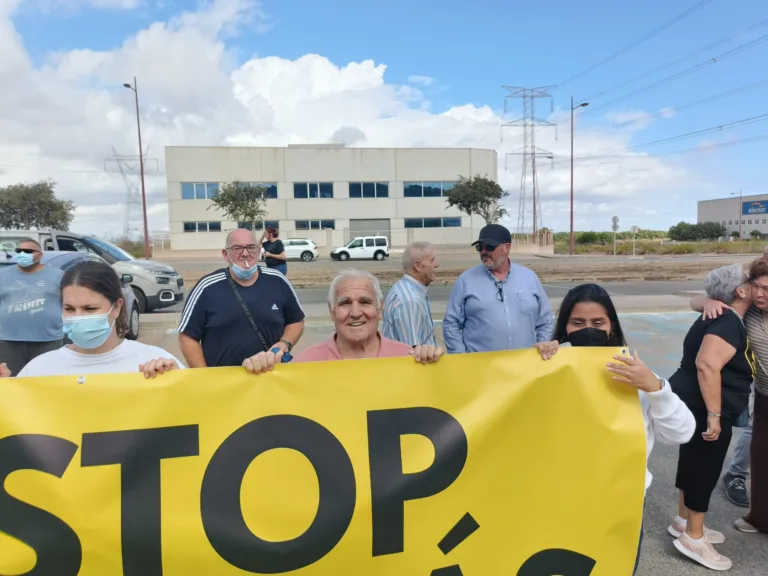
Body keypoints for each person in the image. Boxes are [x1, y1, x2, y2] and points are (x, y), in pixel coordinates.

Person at [533, 283, 695, 576]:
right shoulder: (547, 370)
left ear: (611, 326)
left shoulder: (635, 376)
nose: (588, 329)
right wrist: (532, 364)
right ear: (564, 326)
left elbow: (681, 433)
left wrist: (656, 389)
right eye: (578, 322)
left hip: (621, 503)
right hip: (559, 499)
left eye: (598, 323)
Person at [667, 263, 755, 571]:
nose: (756, 286)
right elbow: (707, 365)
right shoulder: (727, 321)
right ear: (740, 291)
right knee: (704, 465)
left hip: (689, 396)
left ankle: (683, 521)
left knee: (692, 459)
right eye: (750, 282)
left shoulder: (719, 314)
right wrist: (715, 417)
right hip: (704, 402)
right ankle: (693, 536)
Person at [691, 257, 768, 535]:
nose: (761, 294)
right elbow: (696, 300)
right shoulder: (745, 312)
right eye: (757, 287)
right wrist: (708, 302)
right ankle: (758, 516)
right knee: (759, 459)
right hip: (763, 394)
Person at [2, 261, 182, 379]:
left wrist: (175, 380)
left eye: (90, 309)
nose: (78, 317)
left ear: (117, 307)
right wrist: (8, 392)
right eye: (69, 309)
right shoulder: (38, 370)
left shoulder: (154, 360)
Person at [241, 269, 443, 374]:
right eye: (345, 303)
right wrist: (260, 374)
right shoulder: (304, 365)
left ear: (379, 310)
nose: (356, 312)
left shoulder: (409, 359)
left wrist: (437, 368)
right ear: (332, 311)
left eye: (365, 302)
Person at [178, 228, 305, 368]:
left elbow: (296, 320)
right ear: (226, 255)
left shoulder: (278, 281)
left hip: (271, 379)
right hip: (226, 385)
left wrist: (285, 343)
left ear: (257, 251)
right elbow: (187, 337)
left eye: (251, 247)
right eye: (237, 248)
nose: (245, 254)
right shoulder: (206, 288)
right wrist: (206, 377)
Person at [443, 224, 553, 354]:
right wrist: (461, 358)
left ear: (506, 248)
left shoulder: (529, 278)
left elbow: (545, 320)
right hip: (482, 369)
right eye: (480, 247)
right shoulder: (466, 280)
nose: (484, 252)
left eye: (489, 247)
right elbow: (451, 324)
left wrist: (541, 350)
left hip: (524, 367)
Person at [0, 239, 65, 375]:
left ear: (40, 255)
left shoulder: (59, 275)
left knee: (45, 380)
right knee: (11, 382)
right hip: (9, 341)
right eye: (19, 251)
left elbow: (69, 303)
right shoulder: (2, 274)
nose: (23, 254)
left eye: (28, 251)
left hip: (48, 340)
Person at [382, 241, 439, 346]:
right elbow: (412, 352)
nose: (437, 264)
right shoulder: (410, 301)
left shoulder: (403, 288)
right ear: (417, 266)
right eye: (432, 260)